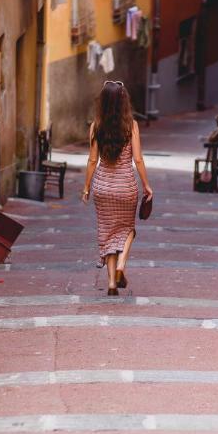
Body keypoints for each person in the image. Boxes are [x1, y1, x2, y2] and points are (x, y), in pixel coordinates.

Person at [82, 81, 153, 296]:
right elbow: (138, 159)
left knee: (107, 232)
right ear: (124, 102)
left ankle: (112, 284)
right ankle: (122, 264)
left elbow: (92, 160)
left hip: (102, 188)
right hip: (125, 186)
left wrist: (86, 188)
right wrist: (146, 185)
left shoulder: (96, 126)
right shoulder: (131, 125)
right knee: (127, 229)